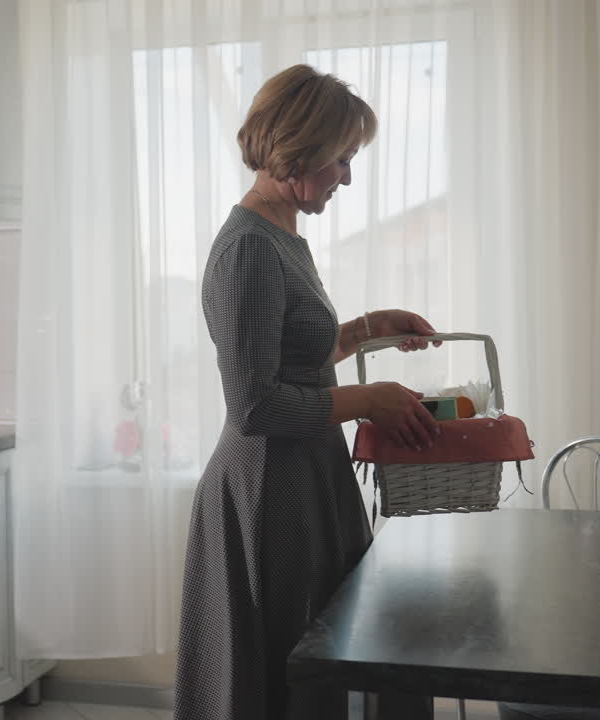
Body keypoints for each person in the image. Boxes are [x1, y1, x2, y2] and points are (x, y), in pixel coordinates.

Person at [175, 64, 444, 720]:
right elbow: (256, 404)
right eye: (342, 159)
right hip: (267, 494)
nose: (348, 176)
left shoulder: (282, 233)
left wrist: (372, 327)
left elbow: (295, 356)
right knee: (282, 685)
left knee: (316, 680)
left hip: (303, 479)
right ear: (299, 149)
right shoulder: (247, 251)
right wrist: (369, 399)